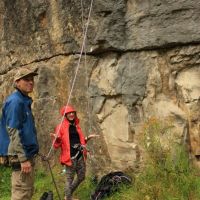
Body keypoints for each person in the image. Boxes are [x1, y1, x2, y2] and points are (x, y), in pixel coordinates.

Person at [0, 67, 39, 200]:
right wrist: (23, 159)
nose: (31, 82)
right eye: (26, 79)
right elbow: (13, 131)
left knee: (27, 191)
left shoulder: (23, 100)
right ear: (17, 82)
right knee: (21, 193)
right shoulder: (16, 102)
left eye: (32, 79)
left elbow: (25, 130)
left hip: (26, 154)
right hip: (20, 156)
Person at [50, 105, 98, 200]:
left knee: (81, 176)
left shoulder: (76, 126)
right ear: (65, 115)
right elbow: (56, 145)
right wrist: (57, 139)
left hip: (80, 155)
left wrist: (88, 138)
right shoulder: (61, 127)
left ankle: (68, 194)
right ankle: (68, 198)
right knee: (69, 179)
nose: (71, 114)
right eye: (69, 113)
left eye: (73, 113)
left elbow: (79, 141)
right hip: (70, 157)